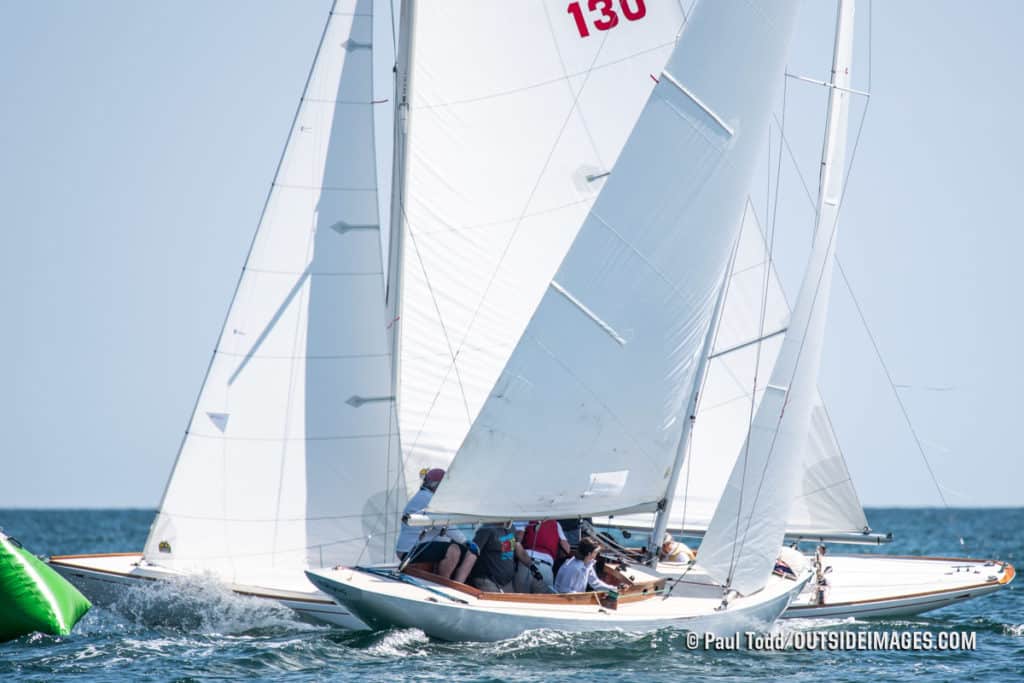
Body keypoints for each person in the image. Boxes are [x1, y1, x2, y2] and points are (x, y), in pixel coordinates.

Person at [395, 468, 476, 582]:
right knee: (454, 549)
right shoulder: (429, 500)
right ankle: (443, 582)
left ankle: (444, 580)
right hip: (411, 550)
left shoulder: (423, 496)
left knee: (450, 546)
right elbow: (443, 524)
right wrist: (465, 541)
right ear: (437, 486)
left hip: (408, 548)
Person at [468, 523, 546, 593]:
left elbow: (519, 549)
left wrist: (532, 567)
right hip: (487, 580)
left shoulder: (511, 527)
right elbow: (471, 554)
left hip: (506, 583)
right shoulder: (487, 528)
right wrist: (459, 583)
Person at [517, 519, 571, 589]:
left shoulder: (526, 518)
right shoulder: (556, 524)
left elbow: (518, 540)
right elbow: (566, 549)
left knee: (520, 598)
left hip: (525, 563)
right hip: (546, 568)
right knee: (544, 599)